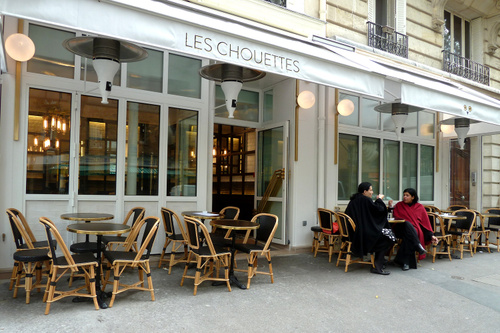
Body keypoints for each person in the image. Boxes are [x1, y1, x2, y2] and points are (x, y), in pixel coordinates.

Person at [345, 182, 395, 275]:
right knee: (389, 237)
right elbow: (378, 210)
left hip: (355, 232)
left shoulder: (354, 200)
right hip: (363, 233)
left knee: (387, 235)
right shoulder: (365, 200)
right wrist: (379, 199)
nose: (372, 192)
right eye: (371, 190)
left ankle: (380, 261)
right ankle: (378, 265)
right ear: (365, 191)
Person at [390, 188, 438, 271]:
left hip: (413, 232)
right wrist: (390, 207)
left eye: (407, 195)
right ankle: (417, 246)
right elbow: (396, 219)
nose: (405, 197)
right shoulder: (399, 205)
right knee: (407, 224)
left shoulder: (419, 207)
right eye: (404, 195)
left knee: (410, 236)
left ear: (413, 197)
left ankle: (404, 262)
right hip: (400, 229)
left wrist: (431, 235)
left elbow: (425, 223)